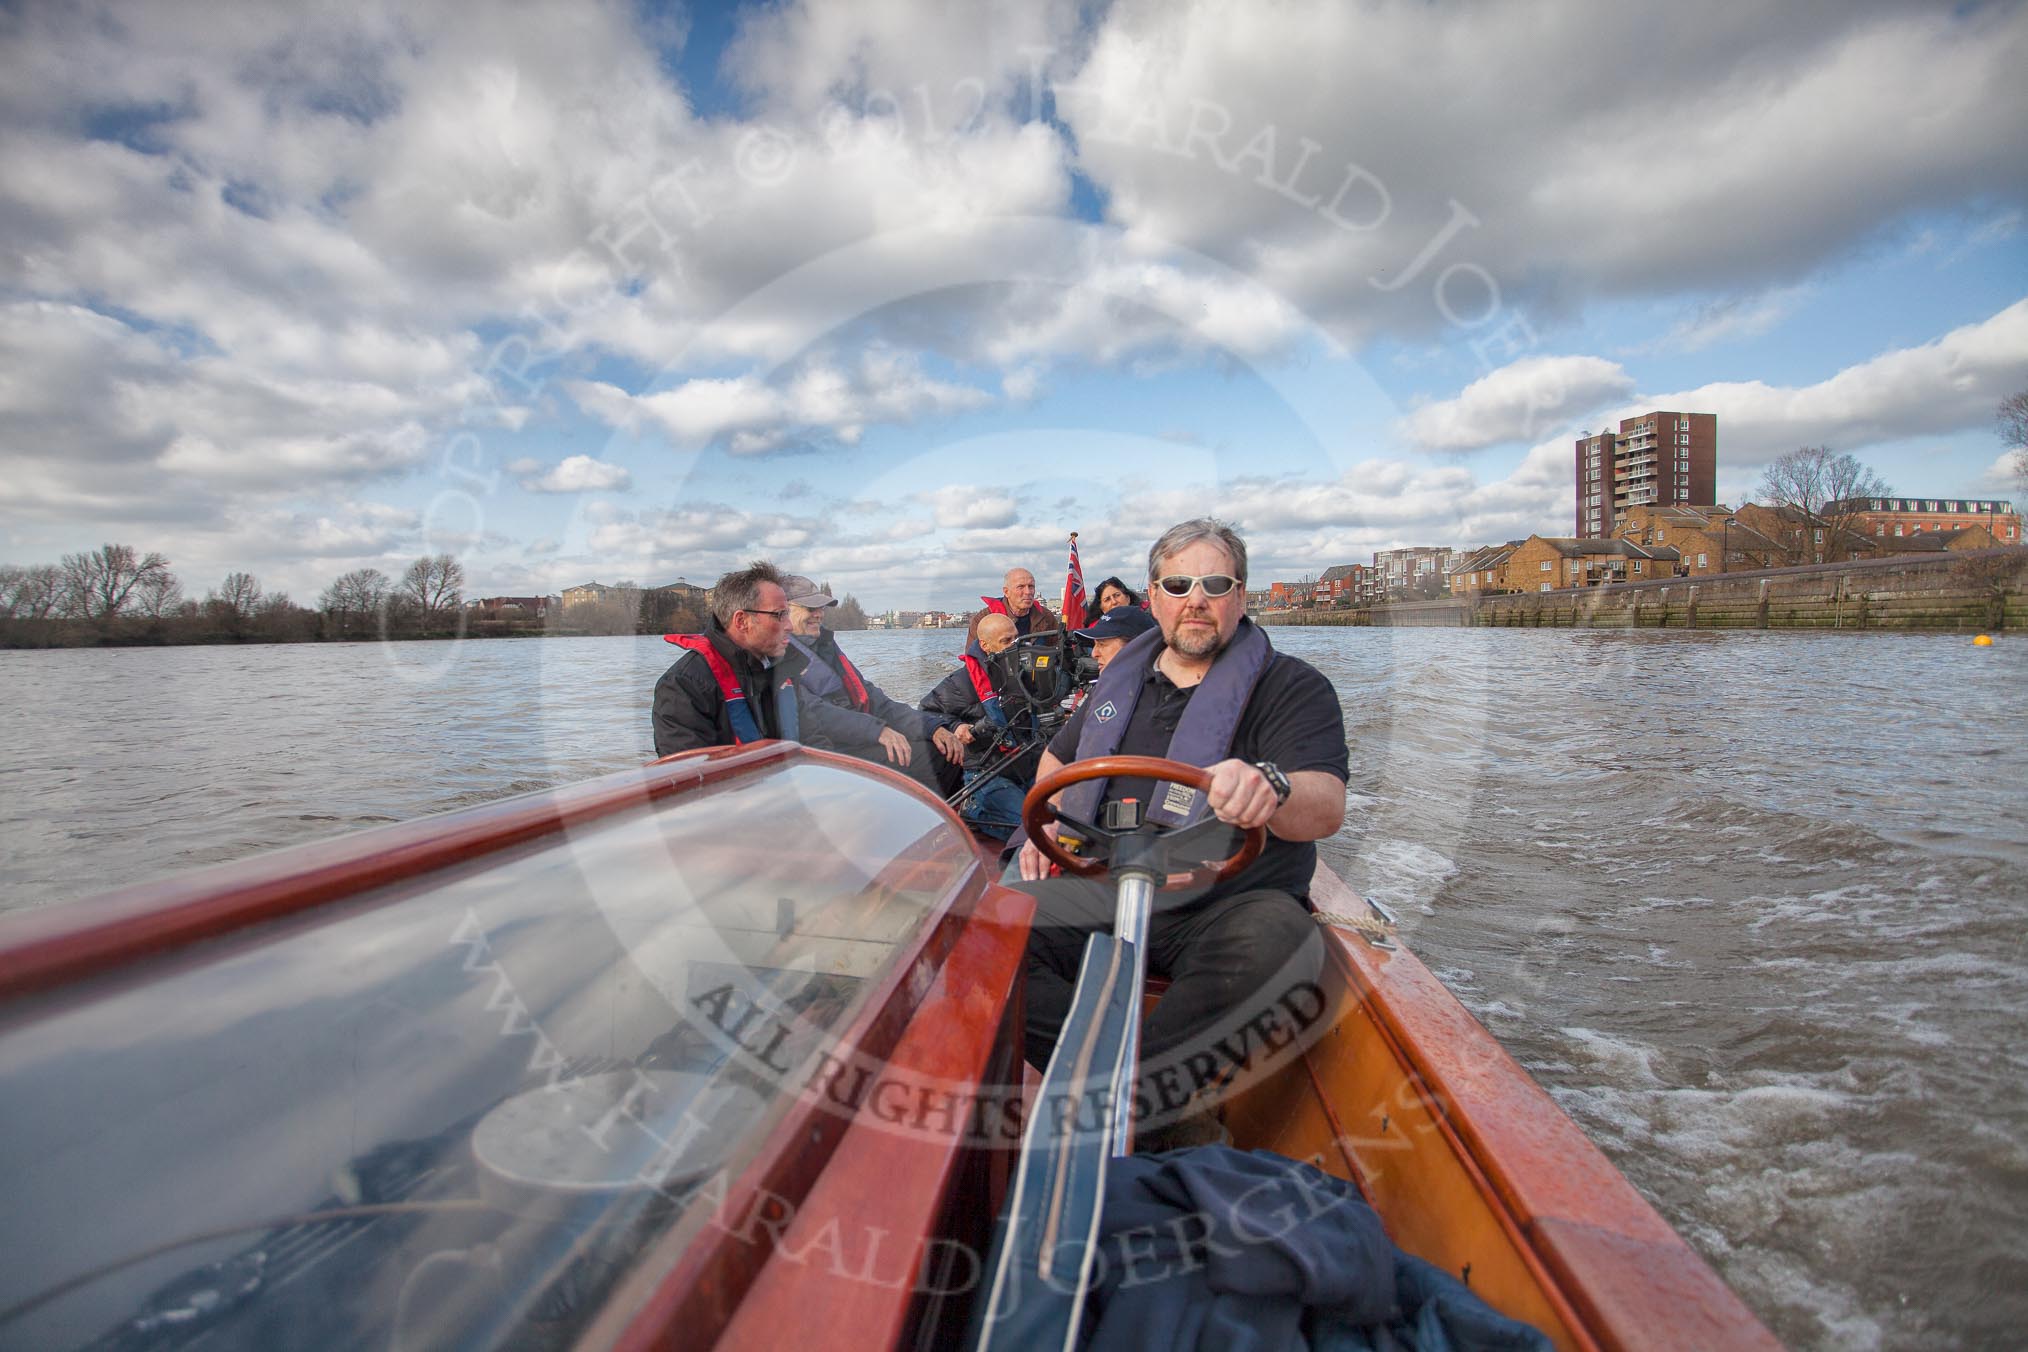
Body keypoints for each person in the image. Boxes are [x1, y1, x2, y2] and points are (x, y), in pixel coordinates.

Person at [1014, 519, 1349, 1144]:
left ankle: (1122, 1104)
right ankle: (1145, 1098)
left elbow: (1326, 806)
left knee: (1283, 939)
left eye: (1215, 582)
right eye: (1178, 583)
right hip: (1108, 882)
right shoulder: (1116, 686)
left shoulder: (1294, 688)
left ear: (1241, 597)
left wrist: (1270, 787)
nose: (1196, 597)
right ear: (1155, 596)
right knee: (993, 933)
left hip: (1226, 901)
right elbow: (1056, 762)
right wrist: (1051, 832)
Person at [781, 573, 963, 793]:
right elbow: (815, 712)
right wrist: (878, 731)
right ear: (784, 611)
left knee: (946, 747)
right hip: (827, 752)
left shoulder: (825, 647)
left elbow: (876, 700)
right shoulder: (778, 654)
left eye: (822, 608)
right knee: (931, 758)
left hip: (858, 739)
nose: (819, 614)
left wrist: (932, 727)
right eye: (811, 608)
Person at [652, 560, 805, 756]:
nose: (790, 626)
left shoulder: (784, 670)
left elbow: (814, 738)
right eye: (779, 615)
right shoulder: (683, 685)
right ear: (742, 621)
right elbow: (689, 774)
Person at [919, 612, 1042, 840]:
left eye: (1017, 639)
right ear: (985, 646)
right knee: (1029, 828)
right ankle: (973, 809)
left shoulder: (1028, 672)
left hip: (1029, 763)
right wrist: (955, 726)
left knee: (1062, 816)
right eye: (1006, 641)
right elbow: (926, 711)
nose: (1015, 646)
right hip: (988, 772)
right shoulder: (960, 683)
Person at [964, 566, 1058, 645]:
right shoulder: (985, 618)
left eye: (1031, 586)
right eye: (1020, 587)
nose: (1028, 592)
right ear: (1006, 592)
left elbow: (1059, 648)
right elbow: (973, 657)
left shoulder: (1045, 616)